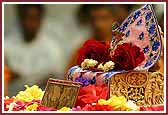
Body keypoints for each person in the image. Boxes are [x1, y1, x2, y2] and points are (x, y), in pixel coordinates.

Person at [5, 4, 64, 96]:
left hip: (41, 101)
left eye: (34, 18)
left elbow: (58, 77)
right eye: (27, 18)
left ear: (41, 20)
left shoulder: (52, 47)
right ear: (20, 19)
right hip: (12, 98)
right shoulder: (6, 45)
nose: (30, 23)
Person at [65, 4, 129, 74]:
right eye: (94, 19)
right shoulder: (82, 49)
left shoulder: (123, 48)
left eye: (104, 18)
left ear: (114, 20)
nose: (98, 24)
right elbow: (69, 77)